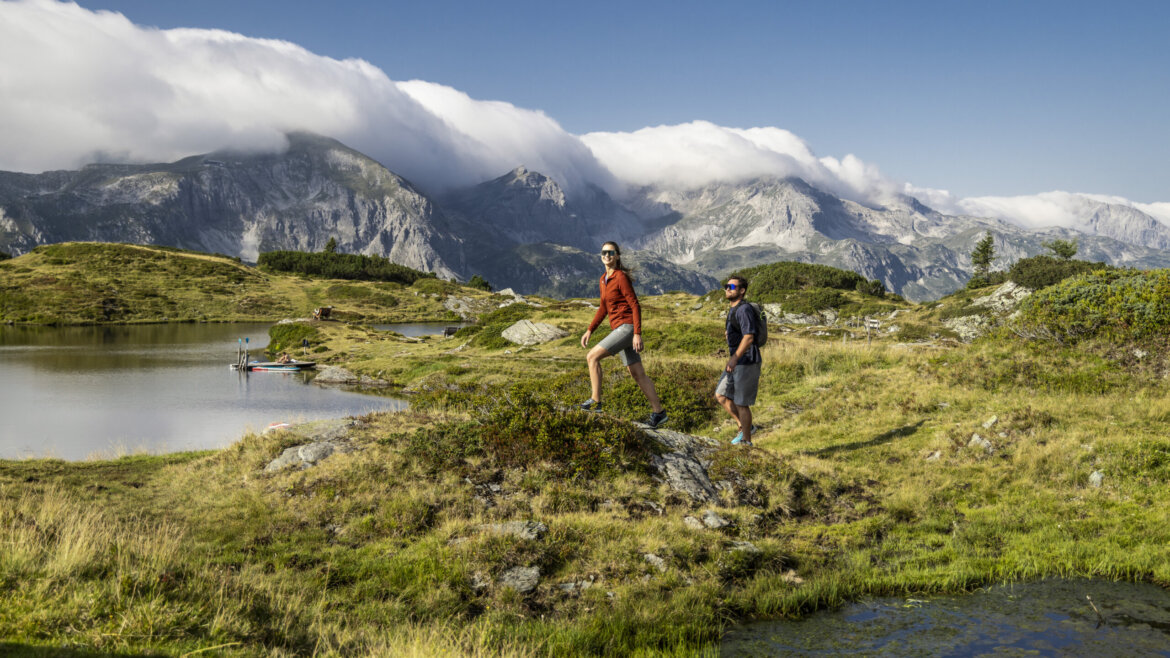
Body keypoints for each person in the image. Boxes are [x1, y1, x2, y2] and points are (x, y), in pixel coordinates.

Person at [579, 241, 668, 428]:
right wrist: (589, 330)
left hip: (627, 328)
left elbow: (635, 304)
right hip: (619, 329)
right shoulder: (603, 279)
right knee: (637, 373)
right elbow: (603, 308)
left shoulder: (620, 277)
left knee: (592, 357)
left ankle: (596, 401)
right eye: (604, 252)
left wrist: (637, 333)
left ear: (617, 256)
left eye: (611, 252)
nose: (607, 255)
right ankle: (659, 412)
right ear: (601, 255)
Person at [715, 275, 762, 445]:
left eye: (732, 287)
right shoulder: (734, 309)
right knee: (720, 395)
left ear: (741, 291)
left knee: (742, 403)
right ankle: (744, 426)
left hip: (746, 361)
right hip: (736, 361)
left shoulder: (743, 309)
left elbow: (749, 337)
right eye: (726, 286)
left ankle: (747, 442)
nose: (727, 289)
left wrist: (734, 358)